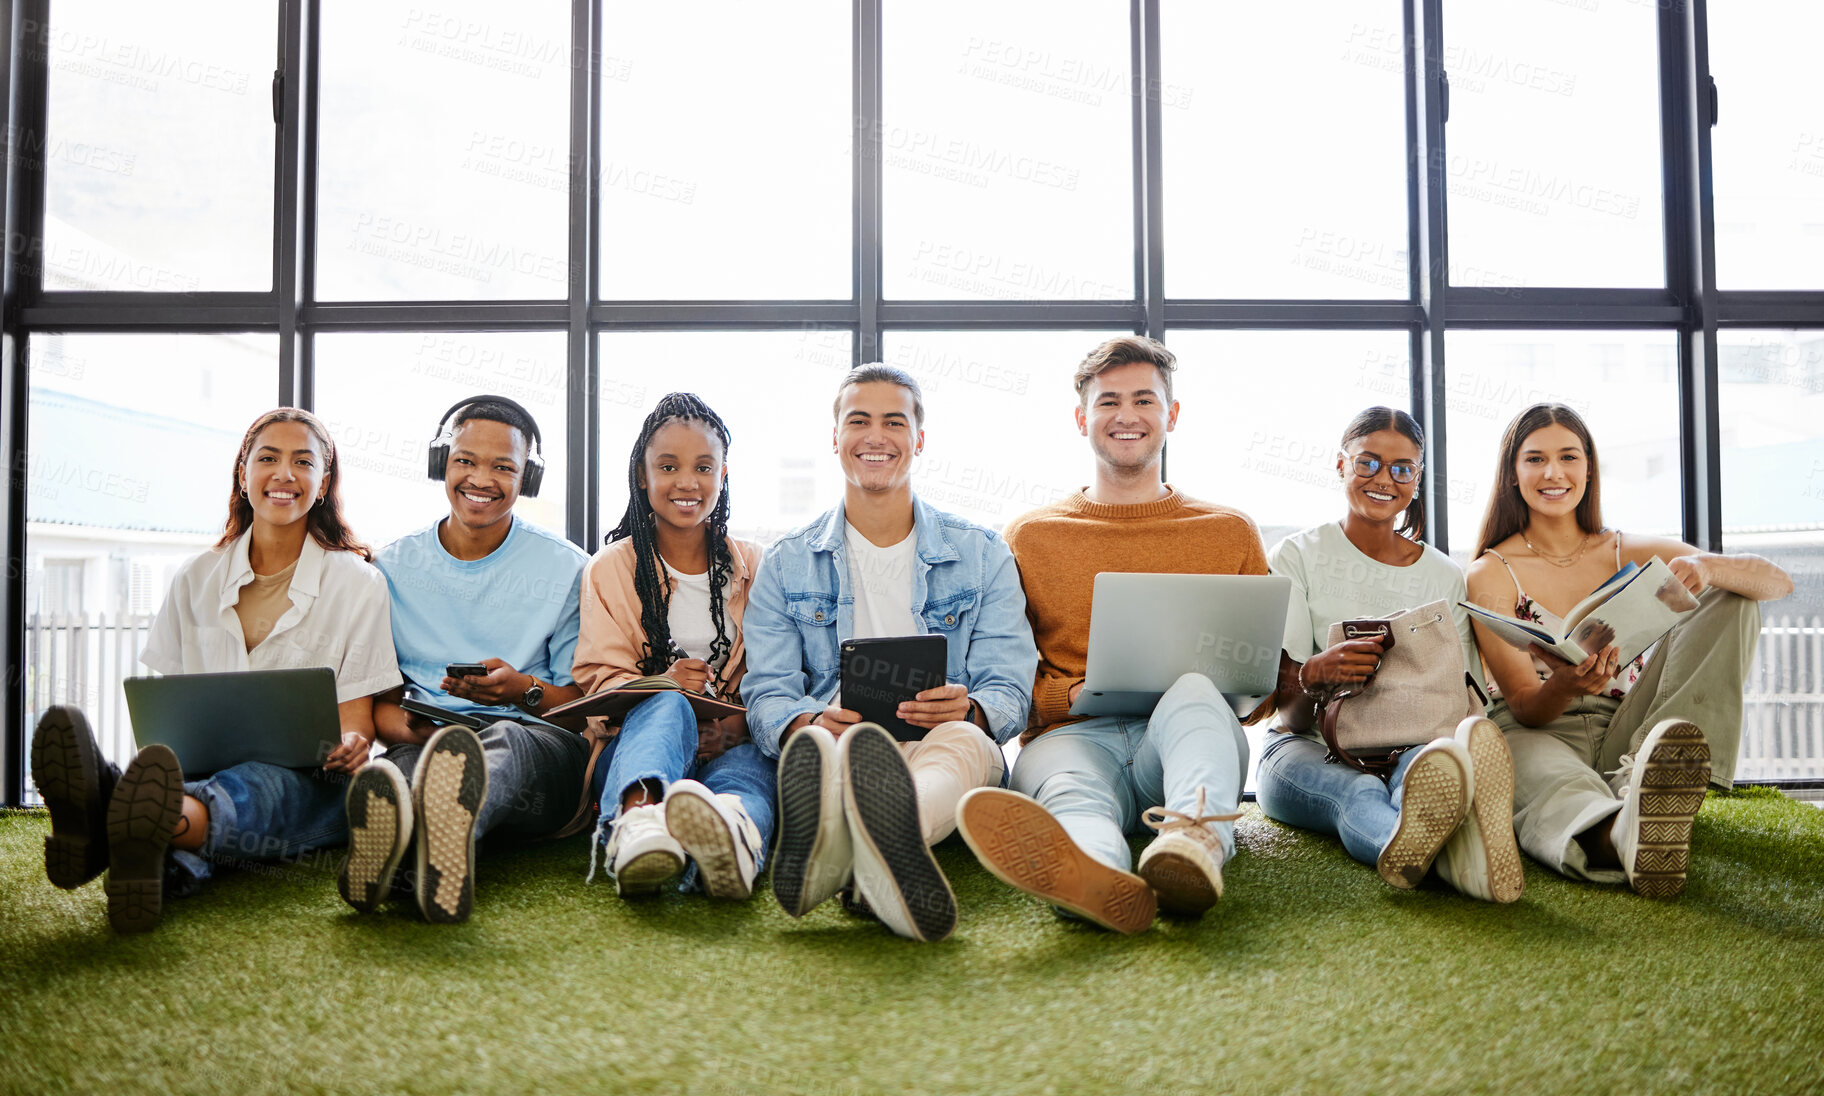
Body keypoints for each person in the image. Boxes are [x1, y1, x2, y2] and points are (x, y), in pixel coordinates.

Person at [29, 408, 398, 933]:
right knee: (209, 788)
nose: (283, 475)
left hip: (311, 780)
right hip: (197, 769)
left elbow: (357, 716)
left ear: (323, 483)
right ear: (243, 474)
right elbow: (170, 707)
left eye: (302, 462)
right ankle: (150, 844)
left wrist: (354, 742)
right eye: (267, 459)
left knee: (261, 790)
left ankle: (108, 813)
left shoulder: (358, 583)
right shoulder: (196, 577)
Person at [955, 336, 1262, 934]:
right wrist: (1063, 697)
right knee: (1072, 795)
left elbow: (1259, 692)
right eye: (1108, 402)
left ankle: (1192, 846)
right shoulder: (1030, 535)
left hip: (1180, 740)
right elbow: (999, 665)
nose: (1127, 416)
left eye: (1144, 400)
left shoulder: (1229, 532)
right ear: (1081, 418)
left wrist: (1239, 684)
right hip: (1071, 738)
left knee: (1195, 691)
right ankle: (1094, 873)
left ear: (1171, 415)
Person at [742, 363, 1036, 943]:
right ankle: (877, 853)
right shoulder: (786, 564)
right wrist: (808, 719)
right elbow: (767, 691)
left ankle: (856, 840)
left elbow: (1009, 687)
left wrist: (970, 709)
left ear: (918, 440)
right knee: (826, 743)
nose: (875, 437)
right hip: (844, 742)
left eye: (893, 422)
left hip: (942, 743)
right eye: (859, 420)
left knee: (968, 741)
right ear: (835, 438)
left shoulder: (983, 554)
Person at [1465, 402, 1791, 898]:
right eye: (1534, 459)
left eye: (1568, 457)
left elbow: (1777, 582)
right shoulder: (1490, 572)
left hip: (1630, 726)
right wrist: (1567, 682)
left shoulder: (1627, 550)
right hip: (1540, 731)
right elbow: (1528, 707)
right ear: (1512, 474)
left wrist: (1709, 569)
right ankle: (1621, 831)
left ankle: (1647, 776)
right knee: (1554, 784)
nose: (1553, 473)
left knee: (1733, 597)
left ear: (1589, 468)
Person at [1250, 407, 1522, 903]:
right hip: (1307, 745)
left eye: (1402, 469)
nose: (1384, 479)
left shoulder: (1444, 576)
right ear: (1340, 466)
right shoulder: (1296, 556)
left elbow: (1459, 692)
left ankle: (1448, 838)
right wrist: (1315, 672)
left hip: (1412, 741)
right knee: (1358, 792)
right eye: (1367, 463)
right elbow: (1285, 714)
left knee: (1426, 768)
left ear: (1416, 480)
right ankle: (1446, 854)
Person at [339, 395, 591, 923]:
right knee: (402, 772)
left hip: (538, 748)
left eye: (503, 467)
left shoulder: (568, 567)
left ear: (528, 478)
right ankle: (424, 852)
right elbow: (381, 701)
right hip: (428, 745)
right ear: (442, 465)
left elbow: (585, 708)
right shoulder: (390, 568)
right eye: (465, 461)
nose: (482, 478)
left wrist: (521, 689)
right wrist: (420, 734)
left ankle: (425, 836)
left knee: (506, 740)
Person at [563, 393, 773, 900]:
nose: (687, 482)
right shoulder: (611, 567)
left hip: (732, 741)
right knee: (667, 705)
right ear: (642, 475)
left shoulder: (757, 566)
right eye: (668, 466)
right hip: (638, 745)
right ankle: (638, 828)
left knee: (750, 776)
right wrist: (664, 686)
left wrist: (731, 726)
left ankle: (734, 836)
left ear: (723, 475)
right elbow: (599, 681)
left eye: (704, 466)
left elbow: (779, 673)